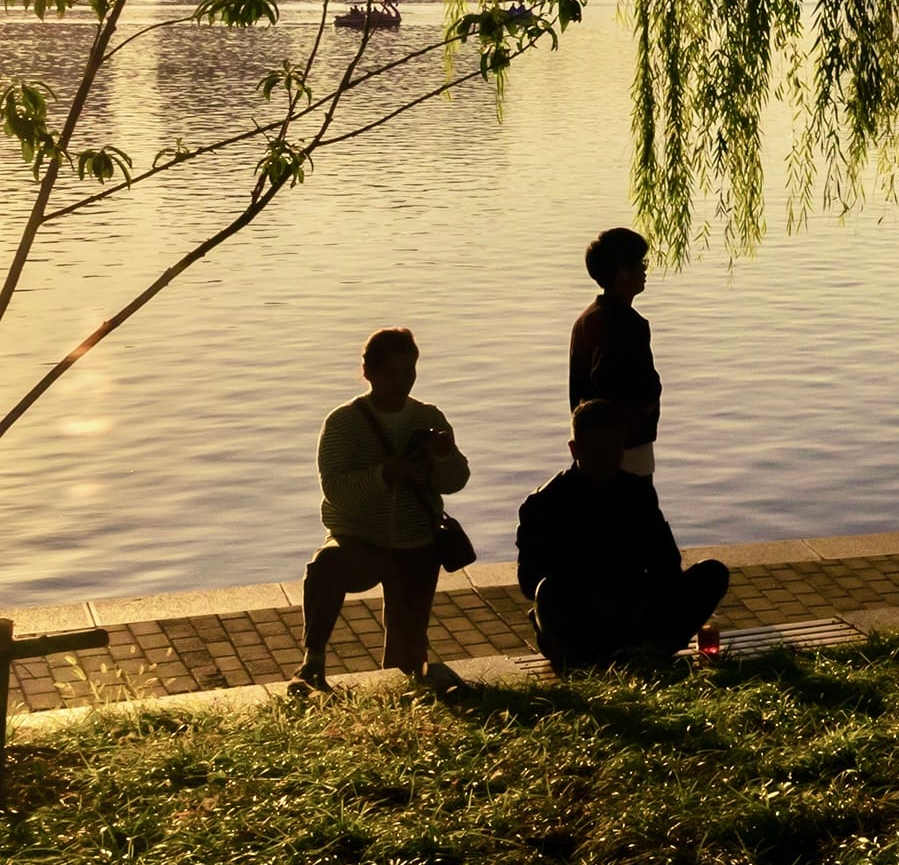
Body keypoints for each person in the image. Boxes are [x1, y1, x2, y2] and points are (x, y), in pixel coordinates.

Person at [289, 327, 471, 695]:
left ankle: (402, 688)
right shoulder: (343, 422)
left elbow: (455, 481)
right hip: (360, 538)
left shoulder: (429, 416)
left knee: (408, 658)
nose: (401, 383)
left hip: (416, 543)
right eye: (391, 373)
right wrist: (383, 475)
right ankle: (313, 661)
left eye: (409, 372)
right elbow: (335, 491)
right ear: (368, 372)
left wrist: (444, 456)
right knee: (326, 565)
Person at [517, 397, 729, 671]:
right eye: (597, 450)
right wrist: (592, 594)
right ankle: (605, 656)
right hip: (579, 613)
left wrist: (641, 598)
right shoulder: (543, 504)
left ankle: (642, 649)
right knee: (548, 593)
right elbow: (529, 581)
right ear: (574, 449)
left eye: (613, 449)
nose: (607, 459)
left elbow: (667, 562)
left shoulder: (637, 492)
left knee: (713, 573)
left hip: (634, 608)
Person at [569, 227, 662, 477]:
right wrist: (649, 398)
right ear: (623, 271)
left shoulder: (586, 319)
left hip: (592, 449)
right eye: (641, 263)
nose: (645, 270)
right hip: (625, 449)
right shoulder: (627, 324)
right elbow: (614, 382)